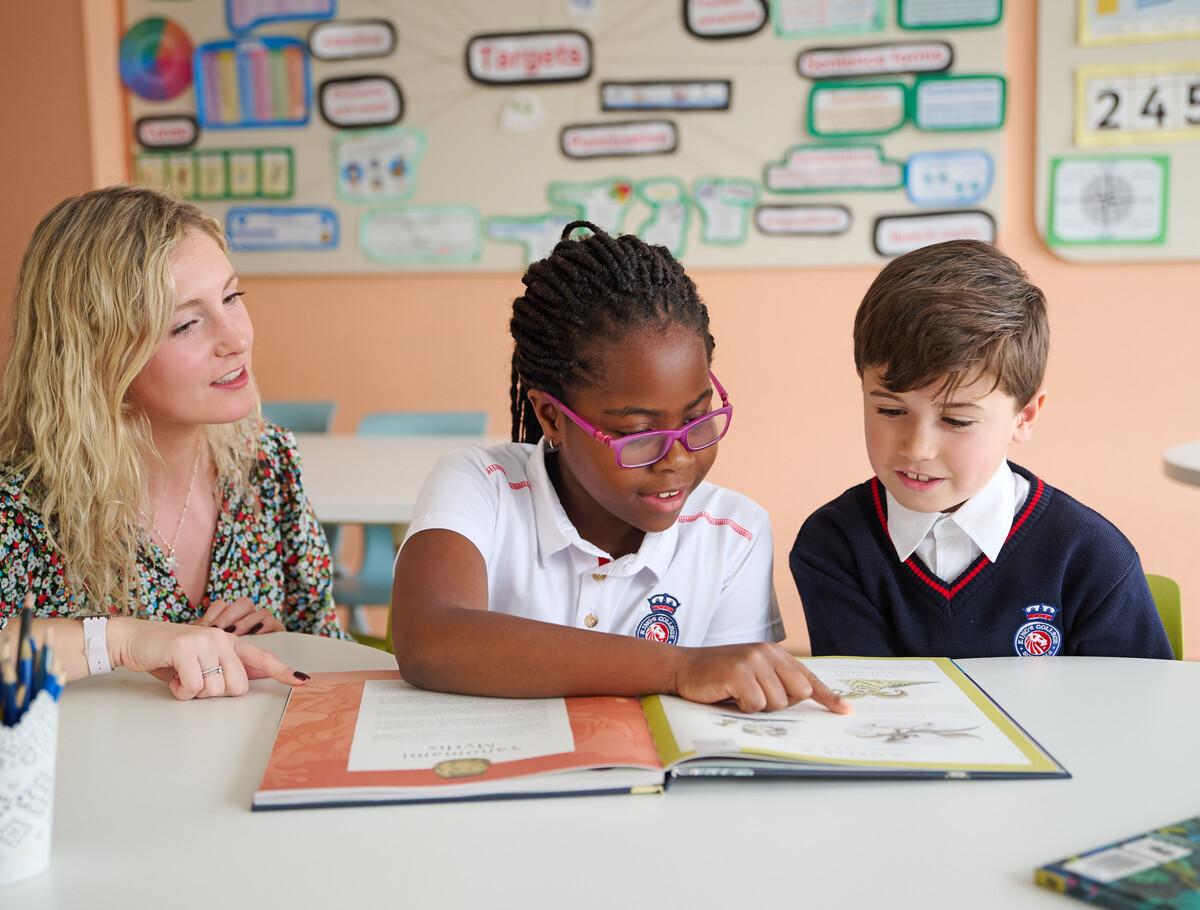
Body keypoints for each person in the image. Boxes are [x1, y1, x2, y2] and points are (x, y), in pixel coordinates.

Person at [391, 222, 849, 714]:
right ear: (552, 417)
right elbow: (430, 638)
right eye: (639, 434)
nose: (677, 458)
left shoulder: (733, 534)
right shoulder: (481, 486)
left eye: (698, 419)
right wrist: (680, 667)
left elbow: (732, 712)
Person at [0, 185, 343, 698]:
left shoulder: (266, 462)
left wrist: (284, 644)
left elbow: (326, 647)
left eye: (231, 298)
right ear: (97, 353)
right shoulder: (20, 504)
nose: (236, 339)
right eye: (185, 324)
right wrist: (119, 640)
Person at [790, 240, 1172, 659]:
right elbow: (866, 711)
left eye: (956, 420)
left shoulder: (1091, 555)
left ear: (1024, 417)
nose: (917, 448)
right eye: (889, 409)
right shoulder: (834, 545)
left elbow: (1139, 711)